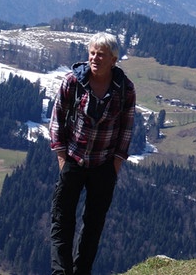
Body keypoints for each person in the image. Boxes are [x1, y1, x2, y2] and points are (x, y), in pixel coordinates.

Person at [49, 32, 136, 274]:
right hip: (74, 160)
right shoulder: (72, 82)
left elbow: (127, 128)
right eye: (92, 53)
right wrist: (62, 158)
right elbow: (56, 119)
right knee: (62, 220)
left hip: (104, 165)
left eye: (102, 55)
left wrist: (116, 165)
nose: (95, 58)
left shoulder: (125, 89)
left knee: (93, 225)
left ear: (113, 59)